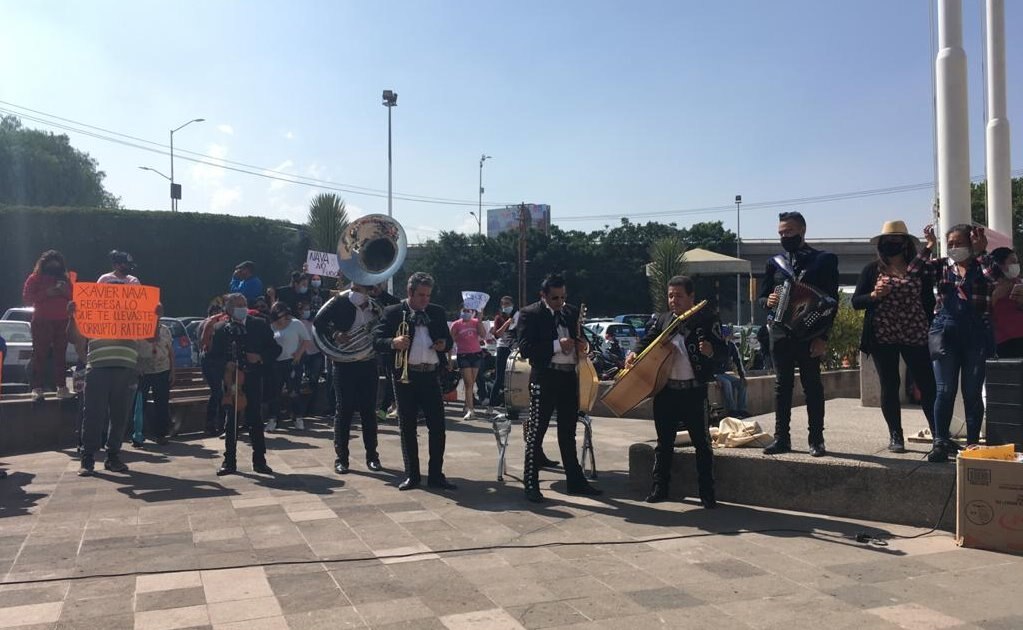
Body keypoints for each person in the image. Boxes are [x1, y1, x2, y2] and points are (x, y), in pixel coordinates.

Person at [627, 275, 725, 507]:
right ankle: (659, 488)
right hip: (666, 391)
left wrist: (711, 351)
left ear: (691, 297)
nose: (674, 300)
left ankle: (707, 493)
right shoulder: (662, 320)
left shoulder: (706, 318)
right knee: (664, 443)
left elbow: (723, 353)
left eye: (679, 296)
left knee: (702, 444)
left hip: (693, 391)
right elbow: (646, 340)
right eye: (671, 296)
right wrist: (633, 353)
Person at [910, 224, 1003, 460]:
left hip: (976, 333)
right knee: (944, 390)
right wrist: (929, 245)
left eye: (959, 243)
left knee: (971, 392)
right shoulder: (941, 266)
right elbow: (912, 272)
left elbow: (995, 277)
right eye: (950, 243)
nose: (954, 248)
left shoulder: (982, 265)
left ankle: (972, 444)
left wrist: (982, 253)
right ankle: (940, 442)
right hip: (944, 332)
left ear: (971, 244)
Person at [758, 211, 839, 457]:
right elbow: (761, 298)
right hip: (780, 332)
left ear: (802, 230)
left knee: (812, 386)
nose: (785, 236)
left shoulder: (824, 260)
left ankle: (817, 439)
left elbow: (831, 302)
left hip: (810, 333)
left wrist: (822, 337)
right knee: (782, 387)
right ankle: (782, 438)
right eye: (781, 233)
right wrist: (767, 300)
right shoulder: (775, 263)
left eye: (789, 232)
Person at [852, 220, 938, 453]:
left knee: (927, 384)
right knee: (890, 384)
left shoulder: (918, 268)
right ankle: (895, 435)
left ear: (906, 244)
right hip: (883, 333)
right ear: (881, 244)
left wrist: (932, 328)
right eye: (887, 241)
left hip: (915, 331)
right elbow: (856, 302)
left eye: (897, 240)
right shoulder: (872, 269)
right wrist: (873, 294)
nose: (892, 244)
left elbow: (929, 300)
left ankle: (938, 434)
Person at [517, 274, 602, 503]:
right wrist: (556, 345)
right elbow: (525, 348)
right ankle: (531, 482)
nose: (560, 302)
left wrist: (584, 345)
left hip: (568, 377)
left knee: (568, 432)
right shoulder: (530, 313)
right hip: (545, 376)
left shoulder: (571, 312)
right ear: (543, 296)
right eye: (555, 298)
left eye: (563, 297)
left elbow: (582, 339)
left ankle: (575, 480)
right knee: (537, 431)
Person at [373, 272, 455, 491]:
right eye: (421, 295)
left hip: (430, 374)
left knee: (438, 426)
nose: (425, 300)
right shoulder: (393, 312)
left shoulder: (436, 312)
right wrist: (393, 341)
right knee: (407, 427)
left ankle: (436, 474)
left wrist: (443, 344)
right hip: (405, 377)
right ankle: (412, 475)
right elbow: (376, 340)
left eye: (428, 295)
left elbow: (448, 341)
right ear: (409, 293)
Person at [72, 266, 144, 476]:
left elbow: (151, 336)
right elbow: (74, 337)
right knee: (93, 415)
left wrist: (156, 316)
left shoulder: (135, 313)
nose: (116, 296)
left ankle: (113, 456)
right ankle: (87, 458)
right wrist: (71, 316)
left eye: (120, 292)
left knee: (120, 417)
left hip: (126, 368)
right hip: (98, 367)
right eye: (111, 292)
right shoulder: (93, 314)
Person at [314, 284, 384, 474]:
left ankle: (372, 457)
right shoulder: (339, 302)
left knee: (369, 411)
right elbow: (319, 322)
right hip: (344, 363)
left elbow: (386, 322)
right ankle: (342, 459)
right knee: (343, 410)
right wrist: (335, 334)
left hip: (368, 362)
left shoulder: (376, 305)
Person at [207, 293, 281, 475]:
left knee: (255, 419)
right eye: (238, 305)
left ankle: (260, 460)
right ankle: (229, 461)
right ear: (229, 309)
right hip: (232, 380)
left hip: (253, 378)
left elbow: (275, 349)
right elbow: (212, 357)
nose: (242, 308)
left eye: (244, 304)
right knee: (231, 420)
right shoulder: (220, 328)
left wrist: (260, 358)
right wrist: (226, 363)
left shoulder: (259, 324)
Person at [21, 250, 74, 401]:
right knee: (39, 354)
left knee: (60, 356)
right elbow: (27, 299)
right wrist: (47, 293)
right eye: (50, 264)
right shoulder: (34, 278)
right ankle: (36, 388)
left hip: (63, 320)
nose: (54, 267)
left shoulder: (66, 279)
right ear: (42, 264)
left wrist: (65, 291)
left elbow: (76, 298)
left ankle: (62, 388)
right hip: (42, 320)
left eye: (57, 264)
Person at [267, 301, 312, 431]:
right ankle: (273, 418)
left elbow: (306, 340)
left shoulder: (296, 324)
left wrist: (298, 354)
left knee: (293, 391)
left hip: (292, 361)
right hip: (276, 362)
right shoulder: (271, 326)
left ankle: (298, 417)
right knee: (275, 392)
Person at [136, 314, 175, 446]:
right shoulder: (139, 329)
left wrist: (172, 371)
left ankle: (161, 434)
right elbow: (134, 351)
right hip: (143, 371)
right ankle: (137, 434)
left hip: (162, 369)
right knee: (139, 404)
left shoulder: (165, 330)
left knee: (162, 404)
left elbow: (170, 352)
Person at [450, 305, 487, 420]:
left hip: (476, 354)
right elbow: (451, 342)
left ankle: (468, 405)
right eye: (464, 310)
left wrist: (480, 320)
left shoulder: (475, 322)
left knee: (472, 382)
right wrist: (449, 359)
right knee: (468, 382)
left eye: (468, 311)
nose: (466, 313)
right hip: (463, 354)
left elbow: (483, 335)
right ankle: (471, 410)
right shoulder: (456, 324)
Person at [198, 304, 229, 436]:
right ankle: (210, 423)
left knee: (223, 392)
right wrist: (209, 325)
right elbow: (203, 344)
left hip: (222, 361)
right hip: (210, 362)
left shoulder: (224, 326)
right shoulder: (206, 324)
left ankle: (222, 423)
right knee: (217, 392)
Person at [991, 247, 1023, 358]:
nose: (1016, 265)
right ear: (999, 264)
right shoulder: (989, 285)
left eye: (1017, 262)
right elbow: (982, 312)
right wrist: (995, 296)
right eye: (1013, 262)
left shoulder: (1019, 283)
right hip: (1003, 341)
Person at [490, 297, 519, 407]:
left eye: (508, 304)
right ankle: (491, 405)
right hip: (502, 347)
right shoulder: (499, 318)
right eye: (504, 304)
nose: (506, 306)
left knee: (514, 377)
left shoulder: (517, 316)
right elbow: (497, 334)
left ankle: (512, 402)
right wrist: (507, 323)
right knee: (500, 377)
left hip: (514, 347)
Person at [714, 327, 749, 417]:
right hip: (714, 374)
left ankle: (742, 409)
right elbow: (709, 362)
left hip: (723, 373)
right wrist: (713, 378)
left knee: (741, 384)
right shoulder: (715, 345)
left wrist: (742, 376)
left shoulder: (731, 345)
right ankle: (732, 410)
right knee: (727, 383)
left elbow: (737, 360)